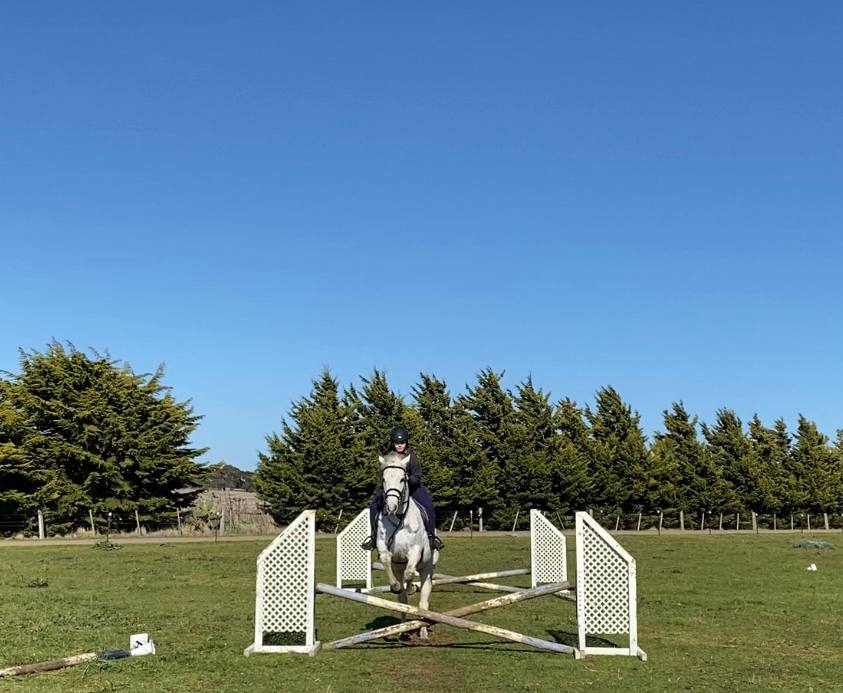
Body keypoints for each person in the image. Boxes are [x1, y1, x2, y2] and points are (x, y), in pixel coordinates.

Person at [361, 425, 445, 551]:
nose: (399, 445)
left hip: (412, 488)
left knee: (428, 505)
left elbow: (417, 476)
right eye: (396, 443)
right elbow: (384, 475)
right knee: (373, 505)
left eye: (402, 442)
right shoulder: (388, 457)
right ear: (393, 443)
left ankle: (431, 536)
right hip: (392, 489)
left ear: (406, 442)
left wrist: (407, 480)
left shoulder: (412, 457)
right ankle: (373, 537)